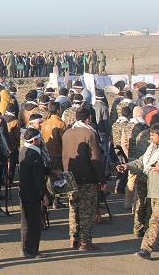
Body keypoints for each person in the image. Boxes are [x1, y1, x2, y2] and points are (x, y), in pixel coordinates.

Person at [117, 123, 159, 260]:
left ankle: (145, 249)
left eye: (153, 135)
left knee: (156, 221)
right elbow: (141, 162)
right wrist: (127, 166)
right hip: (154, 191)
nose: (151, 138)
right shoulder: (152, 149)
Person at [62, 107, 106, 251]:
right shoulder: (89, 133)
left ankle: (72, 239)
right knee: (86, 211)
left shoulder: (67, 133)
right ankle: (85, 242)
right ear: (89, 119)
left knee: (73, 209)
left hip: (70, 177)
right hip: (87, 178)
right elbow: (96, 159)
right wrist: (102, 180)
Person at [19, 128, 51, 258]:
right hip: (33, 194)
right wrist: (45, 195)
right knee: (34, 224)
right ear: (34, 140)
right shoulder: (35, 154)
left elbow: (38, 170)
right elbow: (38, 179)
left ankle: (25, 248)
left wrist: (50, 171)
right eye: (39, 139)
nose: (41, 141)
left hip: (24, 192)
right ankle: (32, 250)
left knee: (25, 222)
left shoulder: (23, 151)